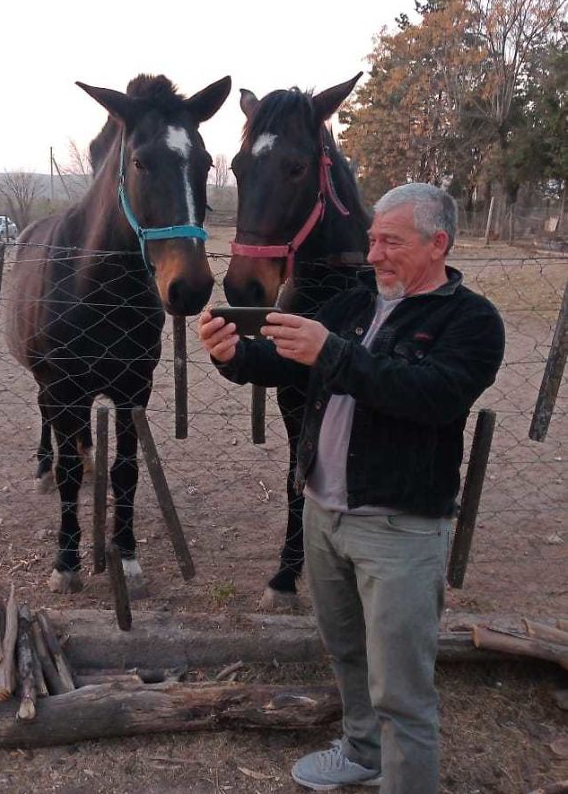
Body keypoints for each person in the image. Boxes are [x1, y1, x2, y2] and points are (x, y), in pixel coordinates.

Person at [199, 183, 505, 794]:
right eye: (371, 240)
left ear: (437, 243)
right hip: (323, 515)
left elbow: (430, 397)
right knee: (348, 654)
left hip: (400, 528)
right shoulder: (353, 306)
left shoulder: (471, 321)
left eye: (391, 242)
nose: (374, 255)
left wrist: (332, 354)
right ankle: (364, 754)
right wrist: (229, 355)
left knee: (402, 688)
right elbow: (283, 363)